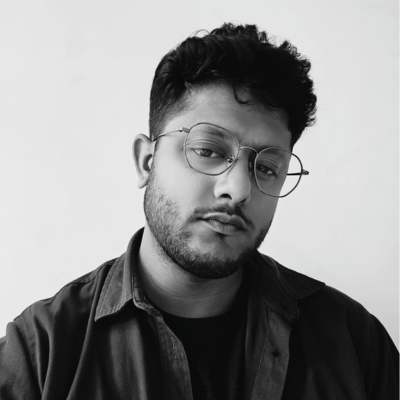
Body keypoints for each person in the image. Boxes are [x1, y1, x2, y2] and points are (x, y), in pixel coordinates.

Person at [0, 22, 398, 400]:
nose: (238, 189)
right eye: (208, 150)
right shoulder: (40, 354)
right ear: (146, 162)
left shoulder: (355, 342)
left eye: (266, 167)